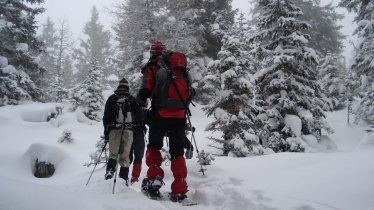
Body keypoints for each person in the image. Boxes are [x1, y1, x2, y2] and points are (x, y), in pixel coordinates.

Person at [136, 41, 194, 202]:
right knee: (177, 153)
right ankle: (180, 189)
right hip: (179, 116)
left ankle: (154, 180)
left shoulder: (153, 67)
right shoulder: (180, 68)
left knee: (154, 146)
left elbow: (146, 88)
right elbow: (191, 91)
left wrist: (138, 103)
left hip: (159, 115)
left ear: (152, 53)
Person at [103, 78, 141, 184]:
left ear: (118, 87)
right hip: (128, 131)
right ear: (127, 87)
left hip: (114, 130)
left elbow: (106, 117)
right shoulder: (132, 99)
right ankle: (123, 179)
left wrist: (106, 132)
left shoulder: (112, 98)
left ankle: (110, 173)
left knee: (113, 154)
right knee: (125, 157)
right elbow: (139, 116)